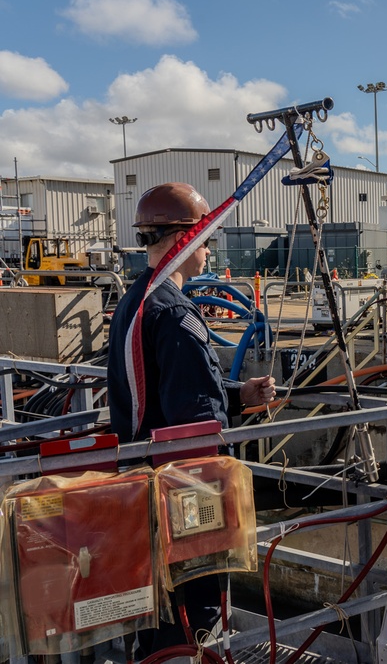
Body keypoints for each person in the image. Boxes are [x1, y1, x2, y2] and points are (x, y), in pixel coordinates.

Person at [107, 183, 277, 654]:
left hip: (146, 485)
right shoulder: (178, 313)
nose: (208, 250)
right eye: (206, 238)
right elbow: (197, 420)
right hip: (184, 492)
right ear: (187, 239)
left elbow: (169, 393)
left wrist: (238, 394)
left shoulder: (136, 301)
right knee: (195, 610)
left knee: (158, 613)